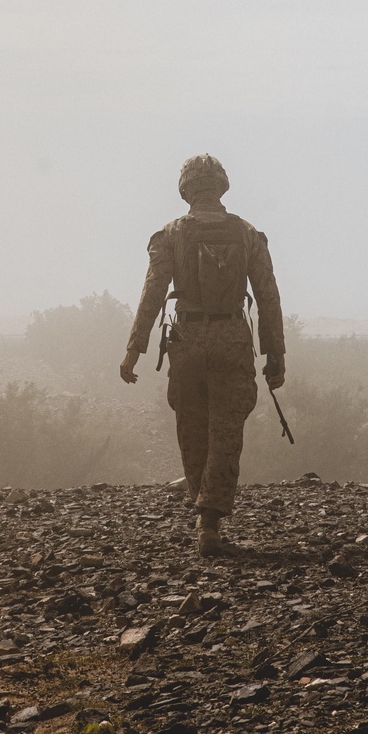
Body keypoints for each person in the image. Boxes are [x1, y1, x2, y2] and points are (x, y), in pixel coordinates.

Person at [120, 154, 286, 558]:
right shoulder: (248, 234)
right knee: (226, 431)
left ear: (186, 189)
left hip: (187, 340)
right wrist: (275, 354)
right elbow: (268, 297)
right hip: (232, 338)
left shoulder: (170, 235)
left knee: (192, 429)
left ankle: (202, 513)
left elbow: (152, 295)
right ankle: (209, 519)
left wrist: (133, 349)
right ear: (221, 186)